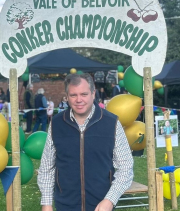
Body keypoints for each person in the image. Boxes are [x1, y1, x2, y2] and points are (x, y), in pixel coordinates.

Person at [38, 73, 133, 211]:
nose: (78, 100)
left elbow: (126, 166)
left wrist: (110, 200)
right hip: (65, 205)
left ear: (93, 94)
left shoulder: (111, 123)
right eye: (73, 95)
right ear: (67, 96)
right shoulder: (56, 123)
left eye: (84, 94)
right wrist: (46, 203)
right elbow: (47, 167)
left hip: (101, 206)